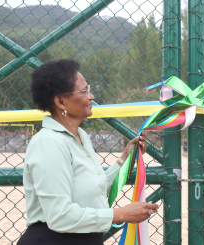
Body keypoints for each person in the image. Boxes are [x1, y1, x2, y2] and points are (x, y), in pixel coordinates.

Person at [18, 59, 159, 245]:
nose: (91, 96)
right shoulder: (48, 142)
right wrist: (121, 214)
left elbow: (92, 191)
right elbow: (60, 216)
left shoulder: (80, 136)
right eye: (84, 91)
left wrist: (124, 158)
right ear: (60, 101)